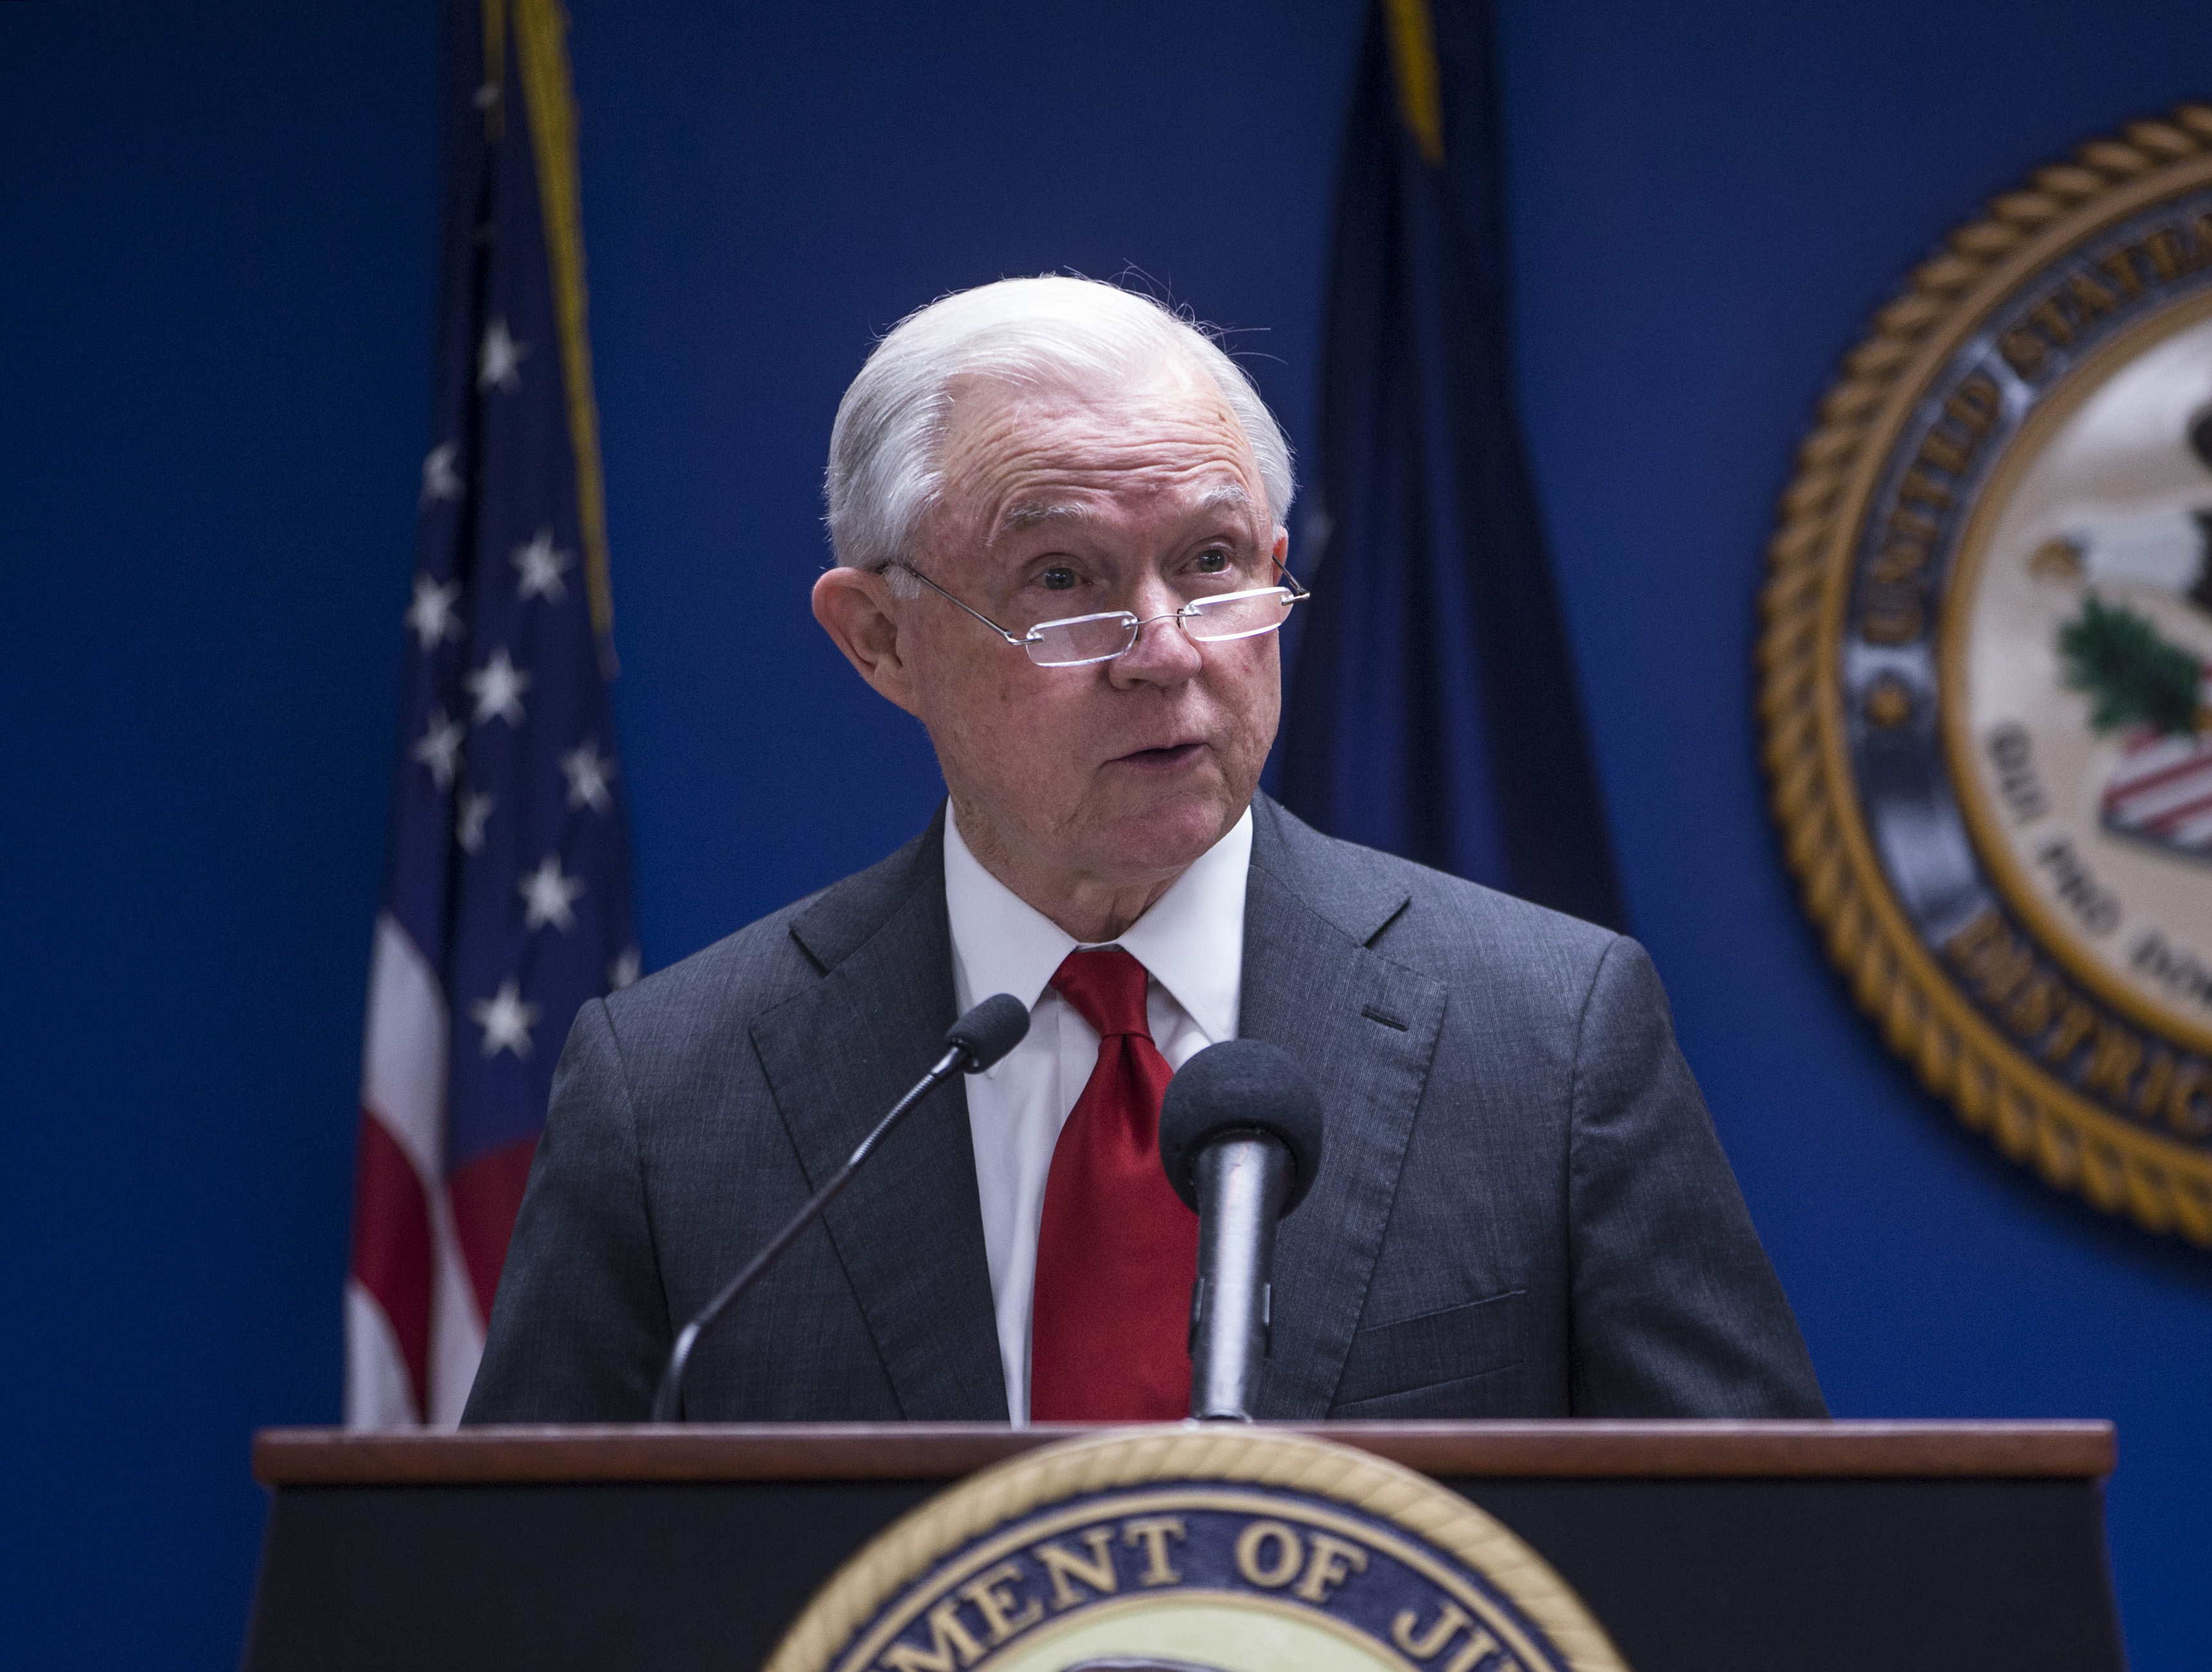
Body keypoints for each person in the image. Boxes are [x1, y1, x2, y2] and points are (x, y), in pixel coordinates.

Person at [464, 276, 1823, 1425]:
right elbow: (512, 1601)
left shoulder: (1549, 1035)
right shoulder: (673, 1093)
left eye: (1214, 561)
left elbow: (1756, 1577)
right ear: (879, 637)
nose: (1166, 651)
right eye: (1062, 577)